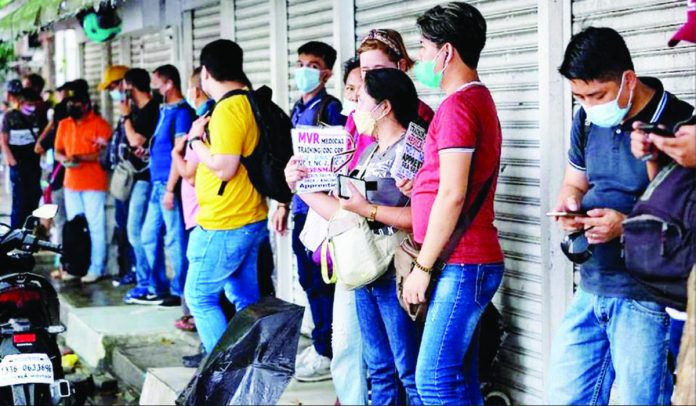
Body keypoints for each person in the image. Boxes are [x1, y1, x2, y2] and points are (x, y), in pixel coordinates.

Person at [548, 26, 693, 405]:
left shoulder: (680, 126)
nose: (589, 105)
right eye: (579, 96)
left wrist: (623, 227)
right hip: (592, 285)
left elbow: (685, 224)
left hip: (647, 298)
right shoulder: (585, 119)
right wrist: (568, 206)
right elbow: (574, 183)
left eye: (597, 95)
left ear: (628, 80)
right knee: (565, 396)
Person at [403, 4, 504, 404]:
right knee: (457, 379)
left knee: (434, 381)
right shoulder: (474, 100)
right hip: (466, 260)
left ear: (446, 52)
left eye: (425, 48)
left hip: (463, 262)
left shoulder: (460, 105)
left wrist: (422, 268)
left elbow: (454, 193)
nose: (420, 58)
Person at [336, 68, 423, 405]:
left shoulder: (412, 149)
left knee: (409, 370)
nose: (355, 104)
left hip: (395, 268)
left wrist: (364, 207)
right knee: (379, 368)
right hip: (365, 266)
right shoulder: (371, 150)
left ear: (385, 107)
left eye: (362, 99)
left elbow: (419, 217)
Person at [185, 39, 269, 353]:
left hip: (225, 220)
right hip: (248, 216)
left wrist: (195, 141)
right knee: (244, 299)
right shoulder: (248, 100)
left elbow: (224, 168)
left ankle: (223, 376)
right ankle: (248, 369)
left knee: (199, 297)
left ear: (206, 73)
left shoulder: (229, 109)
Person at [271, 40, 344, 382]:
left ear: (327, 72)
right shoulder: (297, 110)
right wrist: (283, 202)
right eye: (300, 63)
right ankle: (321, 344)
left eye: (312, 65)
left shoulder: (329, 109)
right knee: (306, 279)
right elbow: (292, 162)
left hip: (321, 210)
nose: (304, 71)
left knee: (320, 281)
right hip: (300, 206)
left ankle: (327, 349)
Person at [136, 64, 194, 305]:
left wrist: (170, 189)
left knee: (174, 239)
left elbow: (179, 151)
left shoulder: (182, 112)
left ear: (169, 83)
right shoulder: (165, 110)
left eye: (157, 83)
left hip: (168, 185)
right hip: (156, 182)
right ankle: (158, 286)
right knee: (148, 236)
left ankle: (179, 291)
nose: (154, 88)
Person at [347, 28, 435, 173]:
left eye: (378, 69)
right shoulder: (357, 115)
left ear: (402, 66)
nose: (371, 77)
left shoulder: (422, 115)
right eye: (365, 70)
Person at [111, 68, 163, 304]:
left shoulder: (151, 109)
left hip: (147, 180)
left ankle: (147, 282)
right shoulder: (140, 110)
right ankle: (150, 282)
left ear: (131, 87)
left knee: (138, 231)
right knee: (142, 233)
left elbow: (135, 140)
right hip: (137, 178)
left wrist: (125, 117)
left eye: (123, 86)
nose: (121, 92)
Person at [171, 66, 214, 333]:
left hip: (202, 213)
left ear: (196, 89)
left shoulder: (204, 123)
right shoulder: (201, 119)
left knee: (201, 289)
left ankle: (202, 331)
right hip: (198, 212)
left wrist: (177, 152)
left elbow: (189, 173)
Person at [54, 90, 112, 283]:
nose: (73, 107)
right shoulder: (64, 124)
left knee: (95, 227)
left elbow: (104, 154)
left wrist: (79, 157)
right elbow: (58, 152)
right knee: (74, 229)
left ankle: (97, 267)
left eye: (77, 103)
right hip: (71, 182)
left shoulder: (100, 125)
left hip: (93, 183)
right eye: (70, 103)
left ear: (86, 105)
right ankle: (75, 266)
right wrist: (65, 160)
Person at [98, 65, 136, 286]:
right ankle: (125, 270)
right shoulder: (124, 113)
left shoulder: (134, 112)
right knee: (122, 225)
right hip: (121, 178)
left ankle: (132, 271)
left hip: (133, 180)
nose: (114, 92)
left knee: (131, 228)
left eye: (114, 86)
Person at [1, 84, 48, 228]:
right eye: (29, 104)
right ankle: (16, 234)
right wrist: (12, 162)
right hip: (18, 164)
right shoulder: (10, 117)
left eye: (34, 104)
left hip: (33, 164)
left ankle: (30, 231)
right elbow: (3, 141)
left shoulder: (37, 117)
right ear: (20, 103)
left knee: (33, 198)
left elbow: (43, 137)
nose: (32, 107)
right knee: (19, 202)